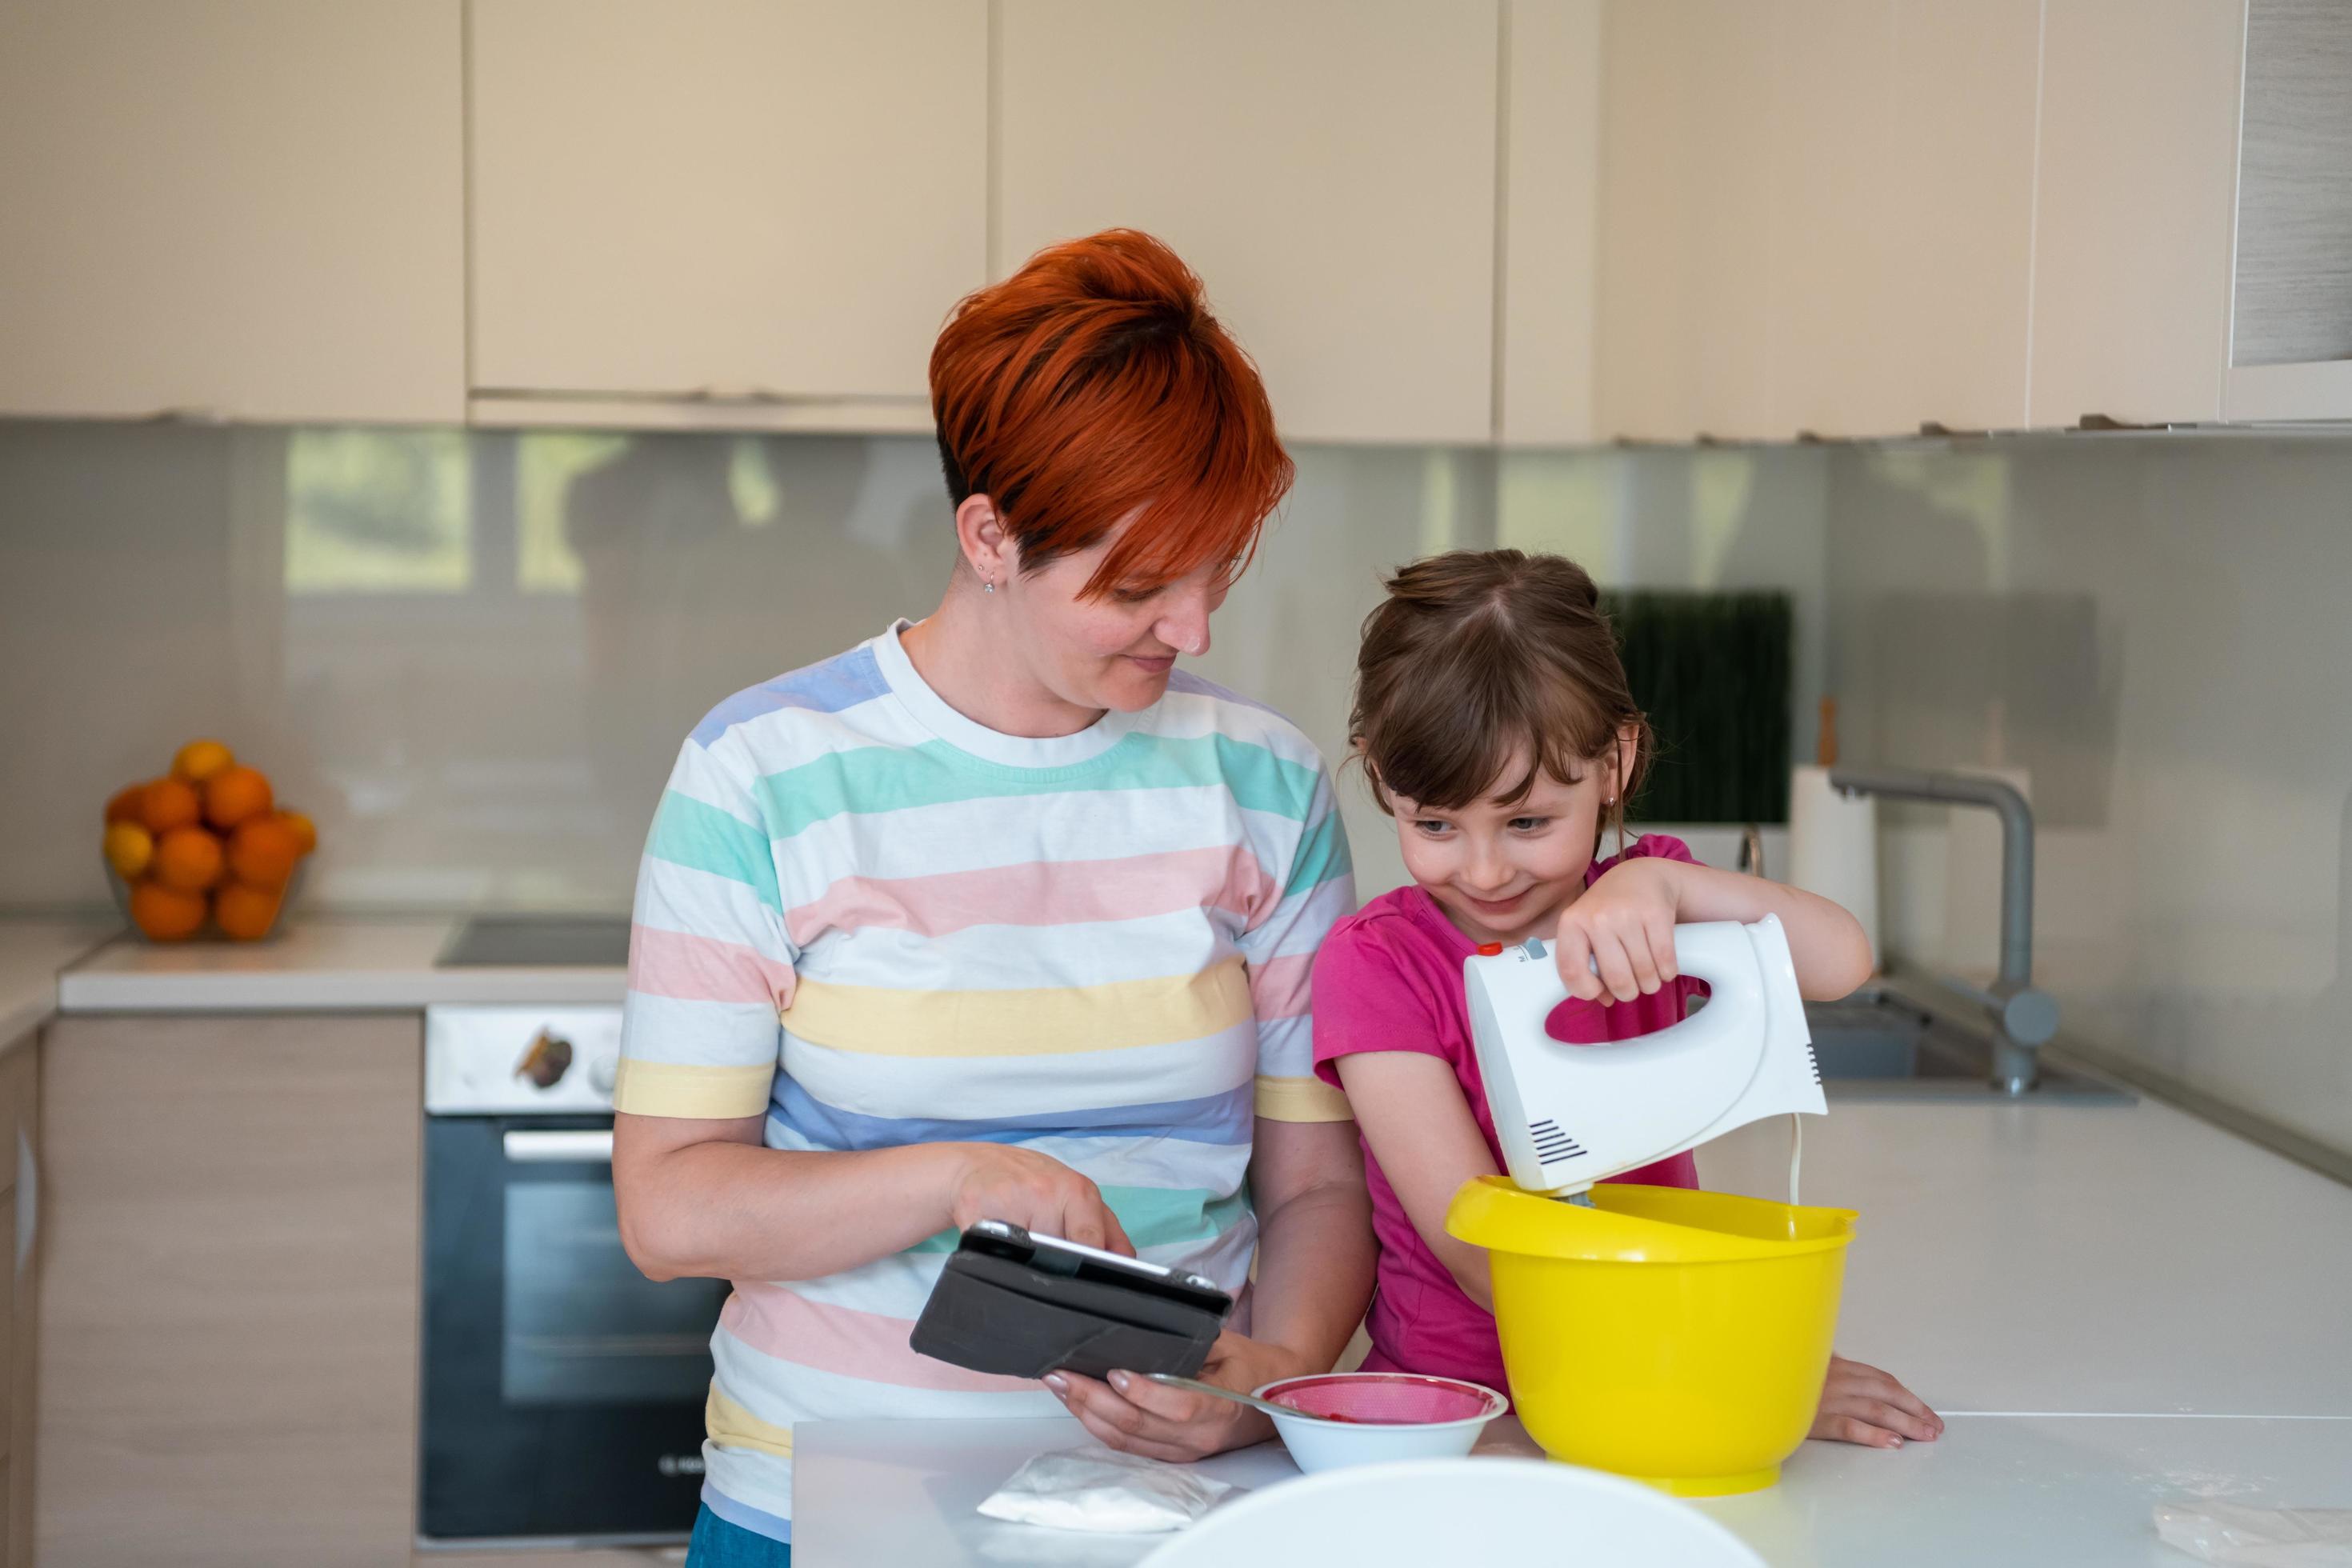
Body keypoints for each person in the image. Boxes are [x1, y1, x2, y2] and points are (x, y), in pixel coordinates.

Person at [610, 230, 1375, 1566]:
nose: (1191, 628)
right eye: (1137, 586)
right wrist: (960, 1177)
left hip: (1175, 1522)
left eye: (1220, 571)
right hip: (821, 1504)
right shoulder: (765, 775)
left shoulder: (1266, 784)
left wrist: (1270, 1375)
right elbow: (671, 1210)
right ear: (989, 536)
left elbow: (1316, 1188)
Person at [1310, 548, 1943, 1450]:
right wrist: (1731, 1356)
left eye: (1527, 821)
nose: (1485, 870)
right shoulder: (1379, 965)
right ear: (1379, 776)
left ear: (1615, 761)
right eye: (1435, 824)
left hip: (1658, 1382)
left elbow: (1841, 960)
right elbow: (1474, 1242)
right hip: (1465, 1414)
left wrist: (1666, 887)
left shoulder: (1651, 910)